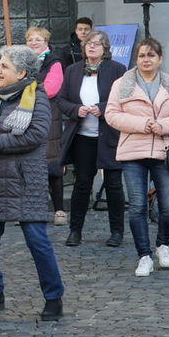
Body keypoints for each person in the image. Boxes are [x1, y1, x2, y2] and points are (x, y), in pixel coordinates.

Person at [0, 45, 64, 321]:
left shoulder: (38, 97)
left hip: (23, 181)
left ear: (21, 72)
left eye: (4, 66)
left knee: (37, 241)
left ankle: (54, 298)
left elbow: (35, 135)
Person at [105, 38, 169, 277]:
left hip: (163, 150)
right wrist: (142, 124)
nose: (146, 60)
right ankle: (144, 255)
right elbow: (111, 115)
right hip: (133, 151)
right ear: (136, 59)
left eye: (151, 55)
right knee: (138, 206)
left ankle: (163, 244)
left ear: (159, 59)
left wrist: (162, 125)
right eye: (142, 55)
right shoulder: (122, 84)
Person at [57, 29, 126, 247]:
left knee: (114, 184)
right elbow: (61, 99)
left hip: (109, 135)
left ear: (106, 49)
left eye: (97, 43)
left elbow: (125, 98)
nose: (92, 47)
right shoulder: (72, 71)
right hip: (82, 137)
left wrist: (103, 108)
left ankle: (117, 232)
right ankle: (75, 231)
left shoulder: (117, 69)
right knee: (82, 184)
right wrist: (76, 109)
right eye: (88, 43)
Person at [25, 27, 66, 226]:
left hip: (48, 117)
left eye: (38, 39)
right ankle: (31, 209)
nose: (33, 42)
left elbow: (51, 89)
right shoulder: (21, 61)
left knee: (52, 164)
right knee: (27, 165)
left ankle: (59, 209)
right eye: (30, 39)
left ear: (46, 42)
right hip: (25, 117)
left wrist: (26, 87)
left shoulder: (54, 62)